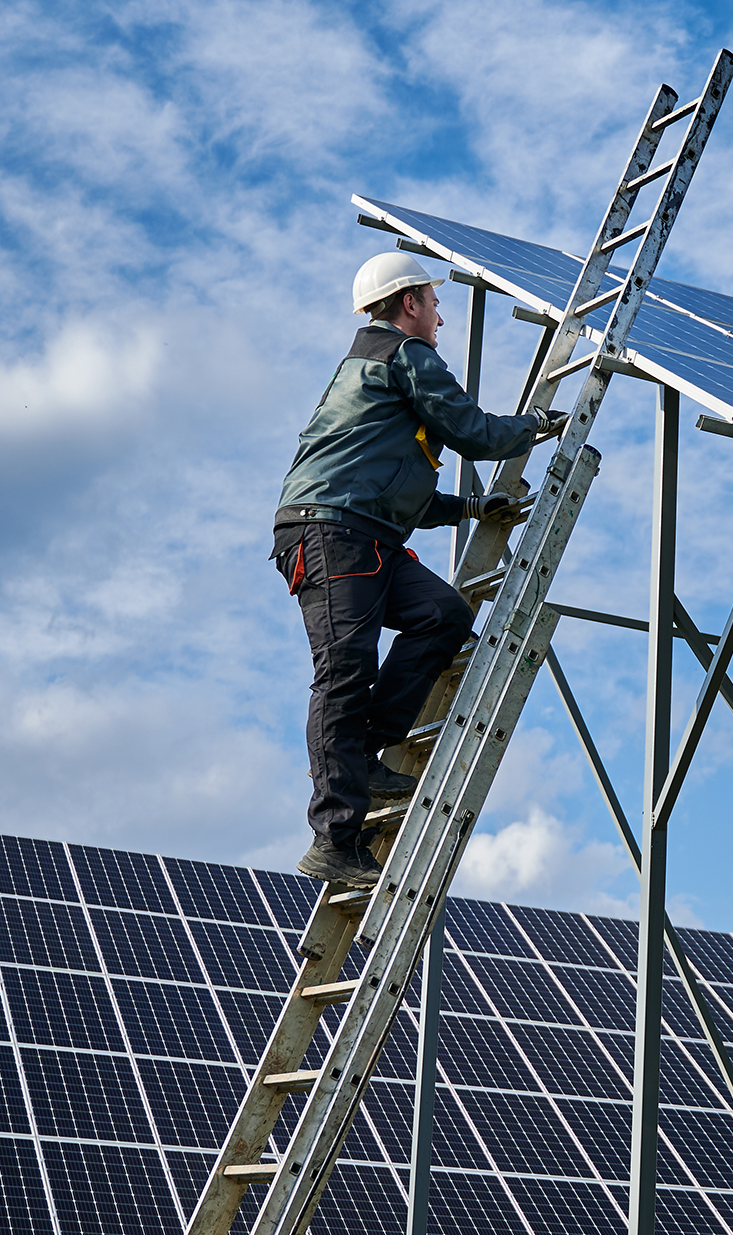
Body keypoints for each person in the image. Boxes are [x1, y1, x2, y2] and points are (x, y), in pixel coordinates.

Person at [273, 252, 561, 887]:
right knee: (344, 673)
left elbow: (395, 484)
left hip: (362, 532)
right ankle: (335, 837)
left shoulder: (377, 374)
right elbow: (474, 432)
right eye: (434, 304)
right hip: (331, 536)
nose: (439, 318)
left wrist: (469, 506)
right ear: (409, 303)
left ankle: (366, 755)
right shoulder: (403, 355)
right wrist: (536, 428)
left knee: (443, 615)